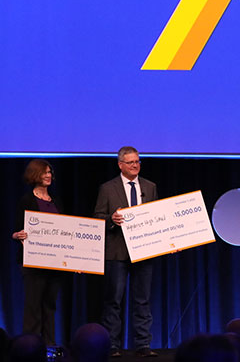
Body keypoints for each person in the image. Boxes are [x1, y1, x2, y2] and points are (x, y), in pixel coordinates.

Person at [93, 146, 159, 357]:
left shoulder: (150, 187)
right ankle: (112, 345)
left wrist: (169, 241)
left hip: (143, 251)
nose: (135, 165)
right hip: (117, 251)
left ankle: (143, 344)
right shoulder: (107, 188)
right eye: (131, 162)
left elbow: (159, 218)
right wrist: (111, 219)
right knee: (114, 299)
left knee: (143, 299)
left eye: (138, 161)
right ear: (120, 165)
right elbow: (97, 218)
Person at [12, 159, 67, 347]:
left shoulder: (56, 200)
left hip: (54, 264)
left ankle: (49, 346)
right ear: (35, 175)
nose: (49, 175)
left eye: (50, 172)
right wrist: (17, 234)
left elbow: (65, 232)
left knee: (50, 306)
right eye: (44, 172)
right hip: (33, 264)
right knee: (33, 307)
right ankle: (30, 347)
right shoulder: (27, 200)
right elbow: (17, 229)